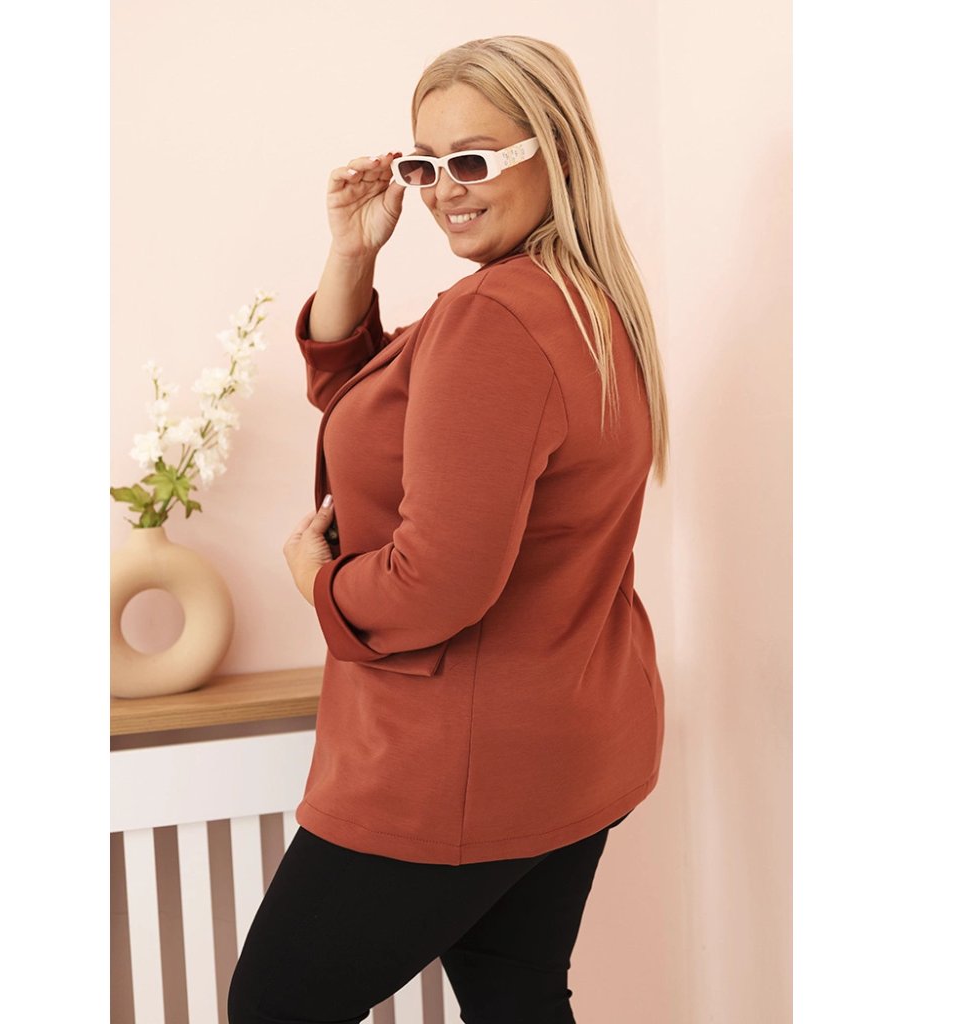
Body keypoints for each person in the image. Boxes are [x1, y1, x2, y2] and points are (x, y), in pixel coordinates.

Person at [229, 34, 670, 1024]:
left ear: (553, 151)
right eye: (425, 165)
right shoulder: (585, 302)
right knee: (516, 998)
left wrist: (317, 582)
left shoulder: (493, 317)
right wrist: (353, 252)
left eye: (471, 160)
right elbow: (373, 409)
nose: (441, 192)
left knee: (274, 1006)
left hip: (455, 759)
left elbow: (435, 582)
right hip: (570, 738)